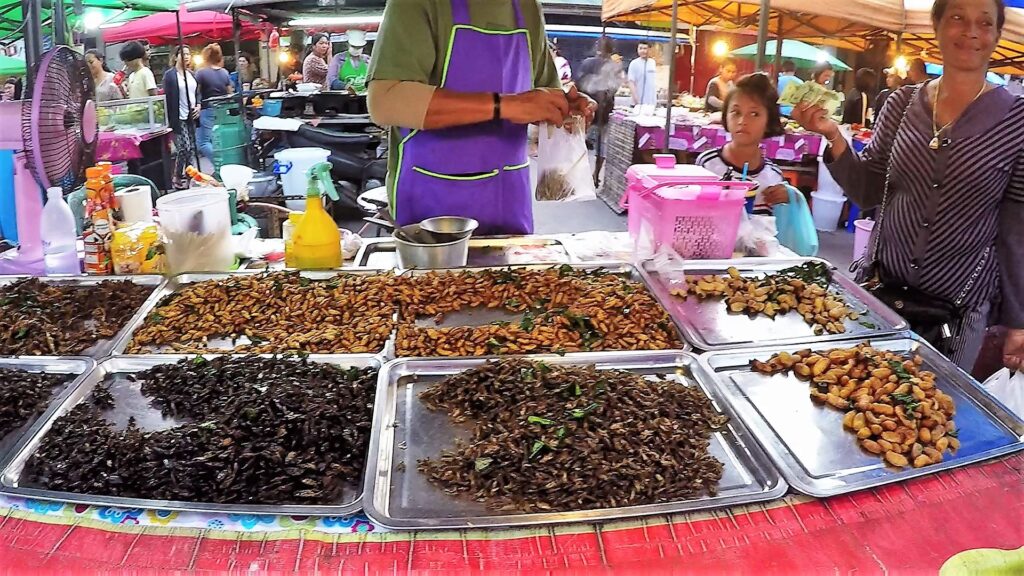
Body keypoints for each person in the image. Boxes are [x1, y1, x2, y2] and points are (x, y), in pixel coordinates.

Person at [791, 0, 1024, 371]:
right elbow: (867, 192)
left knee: (935, 413)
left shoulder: (1017, 121)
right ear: (936, 25)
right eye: (958, 18)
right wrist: (834, 137)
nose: (971, 31)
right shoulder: (900, 103)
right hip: (882, 294)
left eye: (985, 22)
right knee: (862, 403)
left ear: (996, 34)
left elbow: (1016, 229)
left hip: (959, 311)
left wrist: (1018, 320)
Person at [367, 0, 594, 235]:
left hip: (509, 198)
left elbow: (544, 98)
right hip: (433, 202)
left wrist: (566, 109)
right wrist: (506, 105)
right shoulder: (418, 4)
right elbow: (385, 102)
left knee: (517, 273)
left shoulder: (527, 7)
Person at [696, 74, 789, 216]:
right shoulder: (707, 165)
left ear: (769, 122)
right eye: (736, 112)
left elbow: (778, 227)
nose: (742, 121)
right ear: (725, 116)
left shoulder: (774, 178)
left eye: (754, 114)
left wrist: (789, 199)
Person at [577, 36, 624, 185]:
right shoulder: (614, 66)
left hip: (587, 108)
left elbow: (580, 84)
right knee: (601, 144)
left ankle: (583, 174)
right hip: (603, 109)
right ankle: (595, 174)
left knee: (581, 142)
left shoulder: (588, 63)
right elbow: (614, 88)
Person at [162, 46, 201, 189]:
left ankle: (191, 176)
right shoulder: (170, 75)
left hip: (191, 115)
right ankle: (178, 175)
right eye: (183, 54)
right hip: (177, 116)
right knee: (184, 148)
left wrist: (198, 105)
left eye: (188, 54)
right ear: (175, 57)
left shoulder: (191, 74)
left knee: (191, 147)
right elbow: (167, 97)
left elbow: (197, 93)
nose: (186, 57)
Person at [195, 43, 233, 161]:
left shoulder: (201, 73)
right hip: (222, 110)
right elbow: (229, 93)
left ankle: (220, 163)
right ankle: (222, 163)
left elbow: (196, 92)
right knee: (219, 140)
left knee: (203, 143)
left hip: (207, 109)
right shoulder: (224, 73)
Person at [628, 41, 657, 107]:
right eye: (640, 48)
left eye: (645, 48)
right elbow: (631, 82)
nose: (642, 51)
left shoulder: (652, 62)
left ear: (649, 49)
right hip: (639, 103)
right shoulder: (634, 63)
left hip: (651, 103)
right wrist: (637, 101)